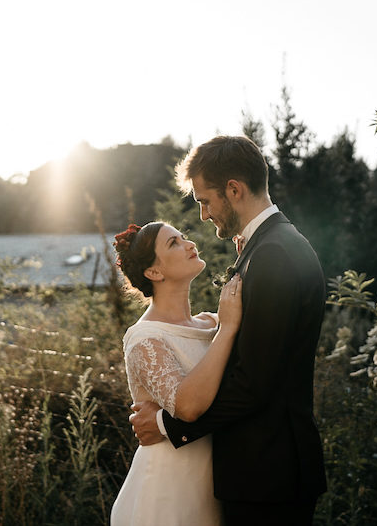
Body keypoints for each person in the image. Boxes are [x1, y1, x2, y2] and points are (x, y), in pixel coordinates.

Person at [129, 135, 327, 525]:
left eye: (205, 200)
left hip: (267, 476)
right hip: (265, 473)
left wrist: (167, 426)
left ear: (234, 189)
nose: (203, 215)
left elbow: (253, 382)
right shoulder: (270, 247)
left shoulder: (271, 256)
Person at [110, 221, 243, 526]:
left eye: (184, 237)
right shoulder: (145, 337)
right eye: (174, 243)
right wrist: (230, 328)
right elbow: (187, 406)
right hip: (167, 492)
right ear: (154, 273)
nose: (189, 244)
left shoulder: (212, 323)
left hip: (213, 486)